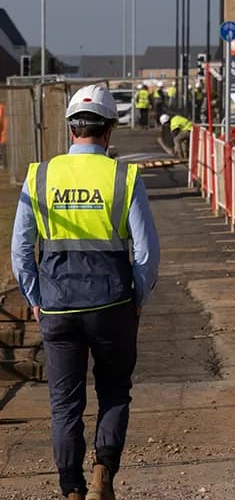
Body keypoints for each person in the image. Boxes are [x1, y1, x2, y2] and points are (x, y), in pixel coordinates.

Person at [11, 84, 160, 500]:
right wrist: (138, 298)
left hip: (57, 306)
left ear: (71, 129)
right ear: (109, 130)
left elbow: (20, 249)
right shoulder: (123, 177)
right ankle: (102, 473)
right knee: (114, 391)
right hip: (112, 303)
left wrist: (35, 298)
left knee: (64, 404)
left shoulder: (40, 176)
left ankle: (72, 488)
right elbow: (147, 252)